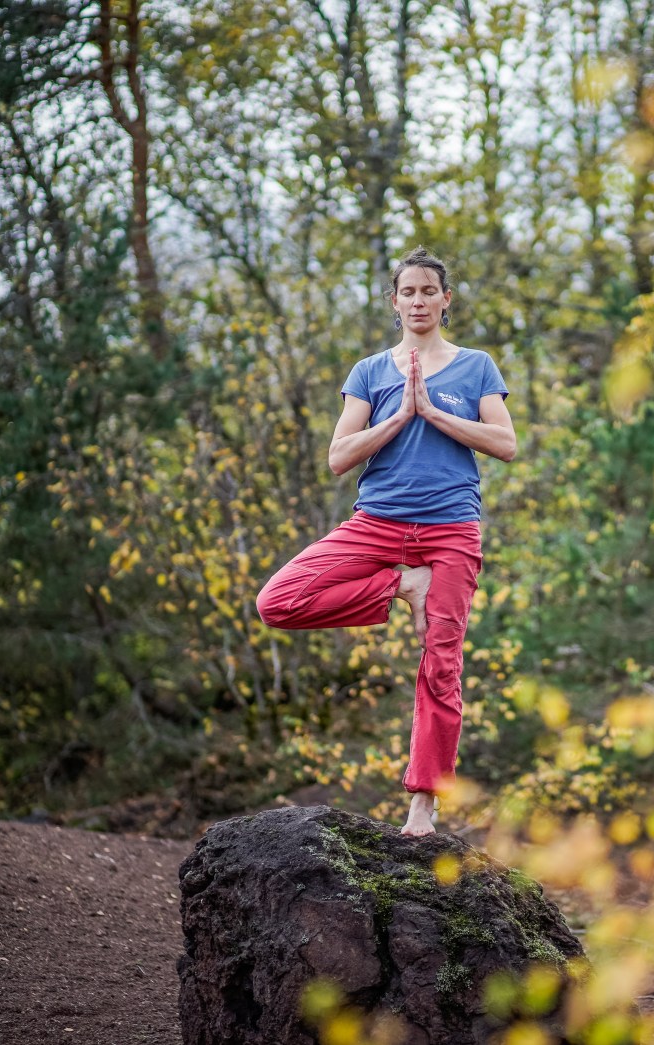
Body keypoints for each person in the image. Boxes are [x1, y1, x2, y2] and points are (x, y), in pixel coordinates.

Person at [255, 247, 516, 836]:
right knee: (277, 602)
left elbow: (505, 444)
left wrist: (433, 411)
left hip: (451, 529)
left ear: (446, 300)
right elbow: (338, 457)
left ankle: (423, 805)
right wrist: (397, 418)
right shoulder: (369, 372)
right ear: (394, 301)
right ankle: (404, 586)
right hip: (378, 524)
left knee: (441, 663)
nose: (419, 301)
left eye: (429, 291)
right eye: (408, 292)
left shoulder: (476, 366)